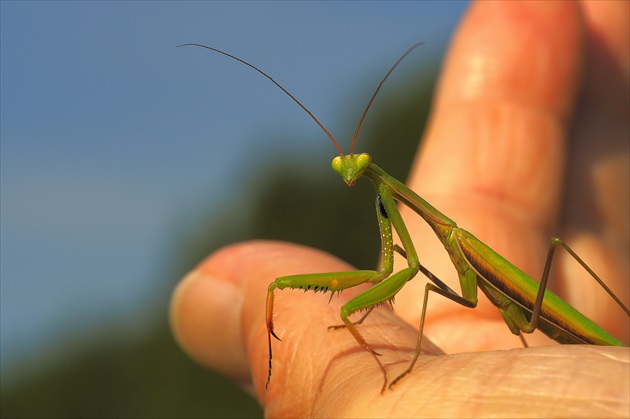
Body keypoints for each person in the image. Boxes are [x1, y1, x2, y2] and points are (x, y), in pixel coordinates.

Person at [170, 1, 629, 416]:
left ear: (370, 167)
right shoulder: (387, 201)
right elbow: (401, 267)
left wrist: (407, 357)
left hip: (550, 317)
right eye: (341, 167)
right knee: (421, 277)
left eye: (356, 166)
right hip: (550, 337)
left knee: (551, 249)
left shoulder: (443, 230)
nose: (349, 174)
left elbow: (404, 274)